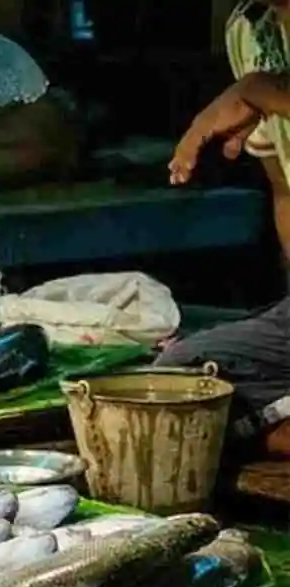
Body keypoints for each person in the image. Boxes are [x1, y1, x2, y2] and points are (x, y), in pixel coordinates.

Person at [165, 0, 290, 457]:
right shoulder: (249, 28)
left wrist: (264, 90)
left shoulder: (255, 85)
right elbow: (284, 189)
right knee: (179, 381)